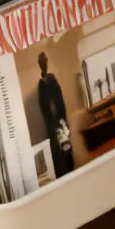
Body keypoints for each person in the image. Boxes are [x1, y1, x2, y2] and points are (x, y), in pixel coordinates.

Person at [35, 52, 75, 181]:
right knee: (57, 155)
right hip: (53, 126)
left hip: (60, 122)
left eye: (45, 61)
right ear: (40, 65)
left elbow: (60, 102)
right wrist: (53, 124)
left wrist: (62, 121)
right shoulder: (42, 85)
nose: (44, 64)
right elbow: (45, 108)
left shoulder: (53, 80)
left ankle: (72, 174)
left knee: (67, 151)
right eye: (42, 62)